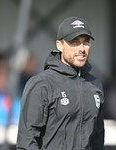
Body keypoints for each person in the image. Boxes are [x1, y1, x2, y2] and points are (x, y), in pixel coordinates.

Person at [16, 17, 105, 150]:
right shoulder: (42, 84)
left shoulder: (95, 85)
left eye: (85, 42)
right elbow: (26, 143)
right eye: (74, 42)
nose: (81, 48)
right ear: (59, 45)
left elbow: (98, 141)